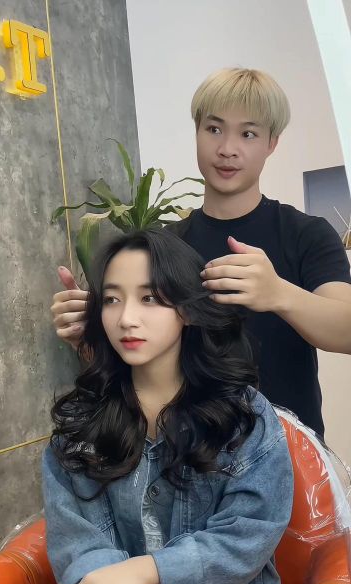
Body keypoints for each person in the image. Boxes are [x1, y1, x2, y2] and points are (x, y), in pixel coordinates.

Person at [43, 229, 294, 584]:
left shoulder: (242, 415)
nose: (127, 318)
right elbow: (75, 534)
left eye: (151, 298)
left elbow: (248, 535)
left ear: (187, 309)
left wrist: (140, 573)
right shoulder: (82, 422)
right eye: (112, 300)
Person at [51, 68, 351, 438]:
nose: (227, 149)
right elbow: (135, 369)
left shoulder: (306, 234)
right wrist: (90, 334)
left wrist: (279, 293)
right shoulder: (164, 246)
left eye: (248, 134)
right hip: (190, 452)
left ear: (271, 142)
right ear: (197, 132)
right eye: (214, 129)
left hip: (289, 451)